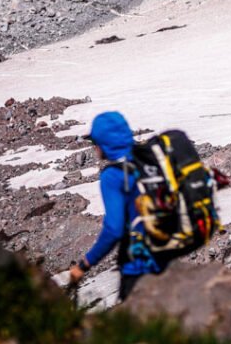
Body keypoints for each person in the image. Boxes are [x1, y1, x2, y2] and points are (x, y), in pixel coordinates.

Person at [67, 111, 165, 302]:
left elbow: (114, 229)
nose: (94, 148)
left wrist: (84, 265)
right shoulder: (148, 161)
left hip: (138, 264)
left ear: (103, 145)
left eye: (95, 142)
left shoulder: (112, 176)